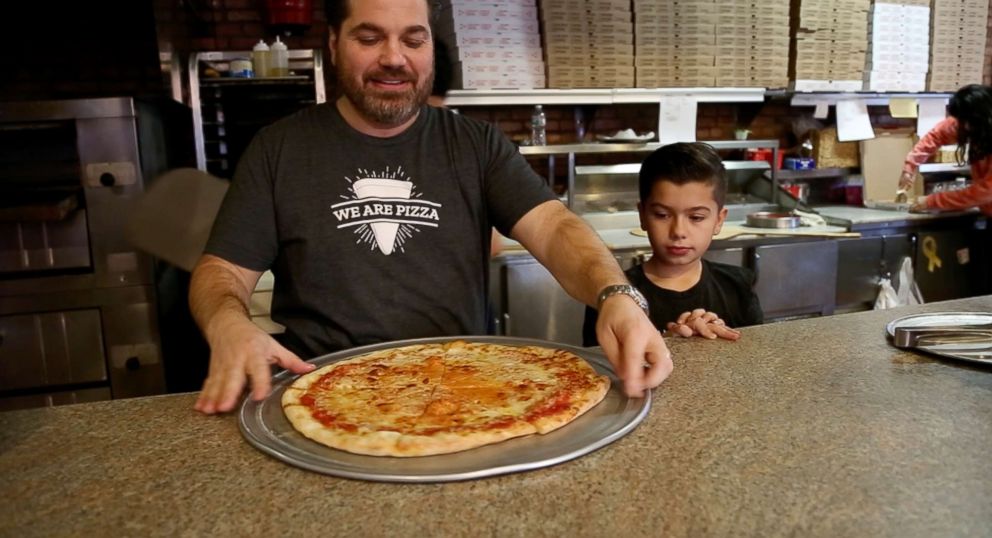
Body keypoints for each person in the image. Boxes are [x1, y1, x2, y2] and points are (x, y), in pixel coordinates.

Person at [190, 0, 672, 414]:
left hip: (466, 395)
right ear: (334, 44)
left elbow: (552, 225)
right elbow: (221, 272)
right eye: (370, 37)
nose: (394, 58)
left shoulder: (475, 144)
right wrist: (228, 324)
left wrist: (616, 295)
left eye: (413, 40)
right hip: (327, 396)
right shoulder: (278, 149)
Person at [583, 143, 763, 346]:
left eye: (696, 217)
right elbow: (596, 369)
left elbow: (756, 359)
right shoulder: (614, 295)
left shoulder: (738, 286)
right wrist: (668, 344)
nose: (678, 231)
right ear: (643, 215)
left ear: (719, 221)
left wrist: (722, 340)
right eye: (662, 215)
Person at [900, 84, 992, 215]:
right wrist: (909, 167)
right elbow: (937, 135)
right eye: (961, 121)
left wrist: (933, 201)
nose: (965, 127)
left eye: (969, 122)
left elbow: (987, 191)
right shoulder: (974, 124)